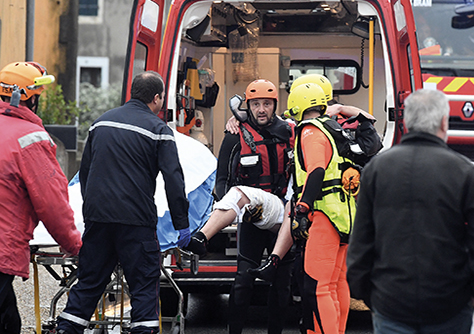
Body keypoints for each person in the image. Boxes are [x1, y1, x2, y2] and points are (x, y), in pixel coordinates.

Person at [56, 71, 190, 334]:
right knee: (142, 284)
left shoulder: (100, 123)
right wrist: (181, 224)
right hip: (136, 221)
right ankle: (143, 330)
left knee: (90, 280)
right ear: (157, 98)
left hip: (98, 218)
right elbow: (174, 180)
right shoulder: (159, 130)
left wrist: (92, 210)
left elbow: (85, 173)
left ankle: (66, 328)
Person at [346, 89, 474, 334]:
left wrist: (366, 294)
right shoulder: (464, 172)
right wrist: (472, 294)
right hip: (449, 305)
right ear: (443, 122)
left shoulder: (377, 169)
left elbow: (361, 239)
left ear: (406, 121)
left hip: (390, 302)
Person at [187, 79, 295, 334]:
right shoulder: (235, 135)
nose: (261, 109)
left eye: (266, 104)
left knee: (282, 284)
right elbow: (222, 179)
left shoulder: (291, 132)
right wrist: (234, 215)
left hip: (283, 217)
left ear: (274, 105)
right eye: (256, 104)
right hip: (250, 218)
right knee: (243, 280)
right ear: (247, 106)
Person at [0, 61, 83, 334]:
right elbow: (52, 205)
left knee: (9, 317)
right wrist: (75, 245)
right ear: (29, 98)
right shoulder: (30, 138)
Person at [272, 82, 357, 334]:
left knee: (318, 287)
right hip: (343, 216)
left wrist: (302, 208)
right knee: (336, 283)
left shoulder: (309, 131)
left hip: (323, 216)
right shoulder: (334, 129)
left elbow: (317, 170)